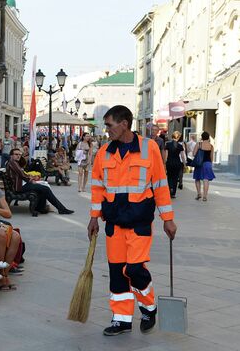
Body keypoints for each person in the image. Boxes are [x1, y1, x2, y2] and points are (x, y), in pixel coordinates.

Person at [88, 105, 177, 336]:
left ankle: (149, 307)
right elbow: (97, 187)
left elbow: (160, 184)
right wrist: (93, 218)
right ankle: (121, 319)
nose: (106, 130)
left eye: (109, 125)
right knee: (117, 272)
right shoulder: (103, 153)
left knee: (135, 269)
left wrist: (167, 219)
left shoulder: (149, 149)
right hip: (114, 224)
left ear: (124, 123)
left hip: (139, 223)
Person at [6, 148, 74, 215]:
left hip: (21, 185)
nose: (18, 156)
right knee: (45, 188)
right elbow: (22, 175)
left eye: (19, 154)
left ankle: (41, 208)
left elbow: (23, 174)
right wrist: (31, 180)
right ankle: (61, 209)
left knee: (43, 188)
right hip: (19, 187)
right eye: (16, 154)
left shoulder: (14, 162)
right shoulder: (12, 162)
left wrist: (32, 178)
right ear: (11, 155)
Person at [193, 131, 215, 201]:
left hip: (199, 163)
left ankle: (199, 193)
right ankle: (205, 196)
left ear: (202, 137)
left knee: (197, 179)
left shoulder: (199, 144)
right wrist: (210, 164)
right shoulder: (211, 146)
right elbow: (211, 157)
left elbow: (194, 154)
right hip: (208, 163)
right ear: (208, 137)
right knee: (206, 180)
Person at [165, 131, 186, 198]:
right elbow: (182, 156)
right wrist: (185, 164)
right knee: (175, 177)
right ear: (179, 137)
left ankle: (170, 188)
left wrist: (164, 163)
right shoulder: (180, 146)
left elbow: (166, 155)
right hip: (177, 163)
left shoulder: (168, 144)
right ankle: (173, 192)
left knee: (169, 176)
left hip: (169, 162)